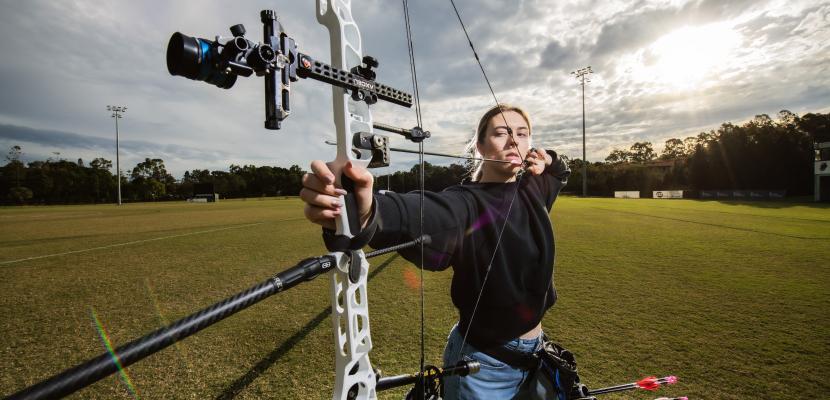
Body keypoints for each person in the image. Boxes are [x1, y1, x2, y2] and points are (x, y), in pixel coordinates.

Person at [300, 104, 570, 399]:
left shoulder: (535, 189)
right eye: (501, 133)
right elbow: (423, 213)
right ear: (480, 146)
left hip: (536, 354)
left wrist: (548, 157)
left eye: (522, 133)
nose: (514, 141)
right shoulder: (466, 203)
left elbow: (559, 170)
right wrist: (366, 211)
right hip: (484, 368)